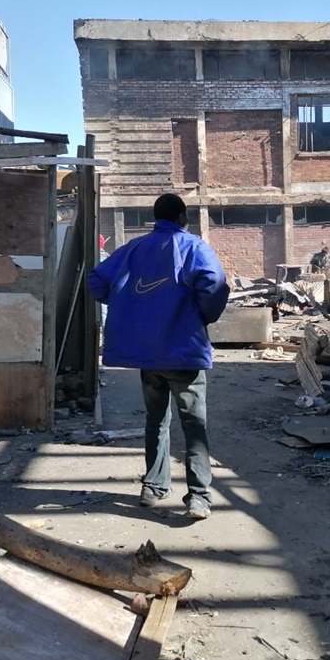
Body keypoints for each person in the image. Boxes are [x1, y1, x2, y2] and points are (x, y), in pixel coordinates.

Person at [88, 194, 230, 520]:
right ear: (182, 216)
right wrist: (203, 316)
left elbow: (97, 279)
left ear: (156, 217)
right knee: (194, 425)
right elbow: (214, 283)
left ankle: (153, 488)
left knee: (156, 420)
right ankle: (199, 497)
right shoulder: (193, 248)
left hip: (147, 355)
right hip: (184, 353)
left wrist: (126, 306)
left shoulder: (134, 249)